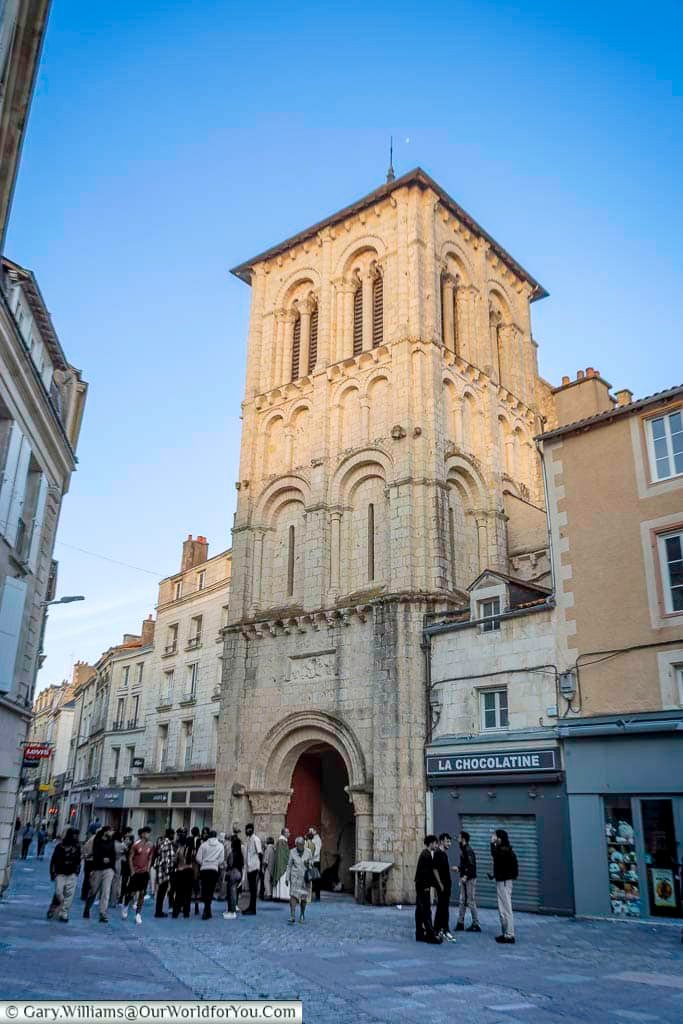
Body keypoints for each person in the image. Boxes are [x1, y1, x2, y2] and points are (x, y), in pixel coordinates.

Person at [489, 828, 518, 944]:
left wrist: (492, 843)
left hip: (505, 882)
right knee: (502, 908)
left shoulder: (504, 849)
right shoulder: (504, 849)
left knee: (506, 908)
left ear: (500, 838)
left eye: (495, 836)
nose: (494, 838)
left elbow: (495, 855)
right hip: (502, 881)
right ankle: (506, 933)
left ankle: (510, 935)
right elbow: (500, 863)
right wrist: (494, 875)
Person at [47, 828, 81, 923]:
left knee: (69, 895)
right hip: (60, 872)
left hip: (72, 873)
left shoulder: (77, 847)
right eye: (74, 835)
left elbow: (78, 860)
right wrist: (52, 872)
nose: (76, 837)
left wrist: (77, 871)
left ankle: (64, 913)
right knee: (59, 892)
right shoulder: (60, 846)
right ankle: (55, 906)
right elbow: (53, 860)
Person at [84, 825, 117, 923]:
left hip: (109, 869)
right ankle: (87, 907)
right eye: (111, 830)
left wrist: (110, 862)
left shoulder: (112, 842)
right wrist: (102, 859)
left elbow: (113, 855)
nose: (112, 832)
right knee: (94, 890)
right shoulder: (97, 840)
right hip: (98, 868)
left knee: (106, 892)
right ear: (105, 831)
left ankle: (103, 913)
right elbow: (95, 853)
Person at [122, 826, 154, 925]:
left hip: (144, 873)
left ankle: (138, 914)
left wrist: (148, 869)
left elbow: (150, 858)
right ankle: (126, 906)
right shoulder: (135, 845)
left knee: (142, 893)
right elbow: (130, 858)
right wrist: (132, 871)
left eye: (149, 833)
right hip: (136, 872)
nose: (148, 835)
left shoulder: (150, 845)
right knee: (131, 893)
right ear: (142, 834)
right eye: (147, 833)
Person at [414, 834, 442, 944]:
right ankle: (431, 935)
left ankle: (420, 934)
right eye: (435, 843)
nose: (436, 845)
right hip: (423, 886)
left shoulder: (425, 854)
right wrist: (428, 887)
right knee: (426, 911)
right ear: (431, 843)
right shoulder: (426, 855)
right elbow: (426, 874)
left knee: (420, 910)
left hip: (421, 885)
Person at [454, 830, 481, 932]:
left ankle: (476, 923)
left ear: (463, 839)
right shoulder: (464, 849)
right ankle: (460, 922)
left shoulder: (468, 850)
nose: (458, 839)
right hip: (464, 878)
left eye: (459, 837)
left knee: (470, 901)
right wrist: (459, 868)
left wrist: (465, 875)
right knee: (462, 901)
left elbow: (471, 865)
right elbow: (465, 865)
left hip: (469, 879)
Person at [196, 829, 224, 919]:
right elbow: (221, 859)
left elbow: (198, 858)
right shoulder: (220, 846)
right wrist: (215, 863)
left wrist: (204, 862)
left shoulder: (203, 845)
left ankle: (206, 909)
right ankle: (208, 909)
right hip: (214, 869)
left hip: (204, 869)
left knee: (205, 889)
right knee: (211, 890)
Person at [433, 833, 455, 941]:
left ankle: (444, 928)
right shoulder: (438, 853)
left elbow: (442, 869)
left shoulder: (444, 854)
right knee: (441, 907)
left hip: (447, 884)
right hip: (443, 885)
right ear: (441, 841)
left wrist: (451, 869)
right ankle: (437, 928)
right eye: (447, 841)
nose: (449, 844)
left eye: (450, 842)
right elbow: (435, 869)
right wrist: (440, 883)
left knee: (444, 907)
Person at [286, 836, 312, 924]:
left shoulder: (308, 852)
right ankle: (292, 915)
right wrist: (287, 878)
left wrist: (309, 864)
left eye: (302, 844)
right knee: (293, 897)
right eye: (299, 844)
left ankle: (302, 914)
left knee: (303, 898)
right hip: (295, 878)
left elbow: (312, 864)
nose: (301, 846)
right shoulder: (292, 852)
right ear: (296, 844)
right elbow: (289, 865)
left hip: (305, 879)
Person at [154, 828, 175, 918]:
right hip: (164, 871)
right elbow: (167, 858)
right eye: (173, 834)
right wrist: (169, 868)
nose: (174, 836)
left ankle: (158, 910)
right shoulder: (167, 843)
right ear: (170, 835)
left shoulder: (162, 842)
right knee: (162, 891)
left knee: (161, 891)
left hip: (161, 869)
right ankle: (158, 912)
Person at [172, 835, 195, 919]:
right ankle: (186, 912)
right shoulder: (191, 850)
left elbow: (174, 860)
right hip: (189, 871)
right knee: (188, 893)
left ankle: (176, 912)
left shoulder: (179, 849)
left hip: (180, 871)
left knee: (179, 892)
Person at [223, 833, 244, 920]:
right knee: (234, 892)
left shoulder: (232, 853)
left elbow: (230, 864)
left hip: (233, 872)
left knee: (231, 892)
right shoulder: (240, 854)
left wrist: (226, 866)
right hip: (239, 872)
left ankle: (232, 911)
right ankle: (233, 909)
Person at [243, 823, 262, 915]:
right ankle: (250, 907)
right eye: (246, 829)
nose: (247, 831)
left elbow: (260, 853)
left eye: (249, 829)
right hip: (249, 867)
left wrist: (261, 868)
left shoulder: (256, 839)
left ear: (252, 829)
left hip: (254, 867)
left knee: (253, 889)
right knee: (251, 889)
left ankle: (253, 908)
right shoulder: (249, 839)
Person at [272, 827, 291, 901]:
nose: (289, 833)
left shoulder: (282, 841)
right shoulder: (282, 841)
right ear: (284, 833)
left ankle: (279, 895)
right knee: (283, 878)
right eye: (288, 832)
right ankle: (283, 896)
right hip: (283, 864)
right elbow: (285, 854)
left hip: (280, 862)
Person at [306, 827, 322, 901]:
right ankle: (311, 894)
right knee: (310, 878)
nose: (310, 832)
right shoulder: (311, 840)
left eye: (311, 831)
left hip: (315, 861)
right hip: (311, 861)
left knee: (316, 878)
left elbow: (317, 851)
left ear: (315, 831)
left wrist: (310, 856)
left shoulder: (318, 840)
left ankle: (317, 895)